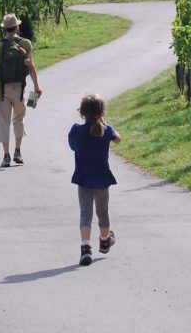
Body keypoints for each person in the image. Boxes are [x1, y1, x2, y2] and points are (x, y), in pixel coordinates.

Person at [68, 93, 121, 266]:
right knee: (102, 213)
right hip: (102, 180)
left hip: (84, 179)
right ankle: (105, 240)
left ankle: (85, 248)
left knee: (86, 214)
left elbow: (72, 146)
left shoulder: (76, 130)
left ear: (82, 113)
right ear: (102, 112)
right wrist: (105, 124)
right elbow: (118, 140)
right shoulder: (106, 130)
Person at [0, 13, 41, 167]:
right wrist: (37, 86)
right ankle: (18, 151)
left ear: (4, 29)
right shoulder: (25, 44)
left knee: (3, 121)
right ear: (17, 27)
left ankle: (6, 156)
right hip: (19, 88)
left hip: (3, 89)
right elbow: (30, 66)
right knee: (19, 119)